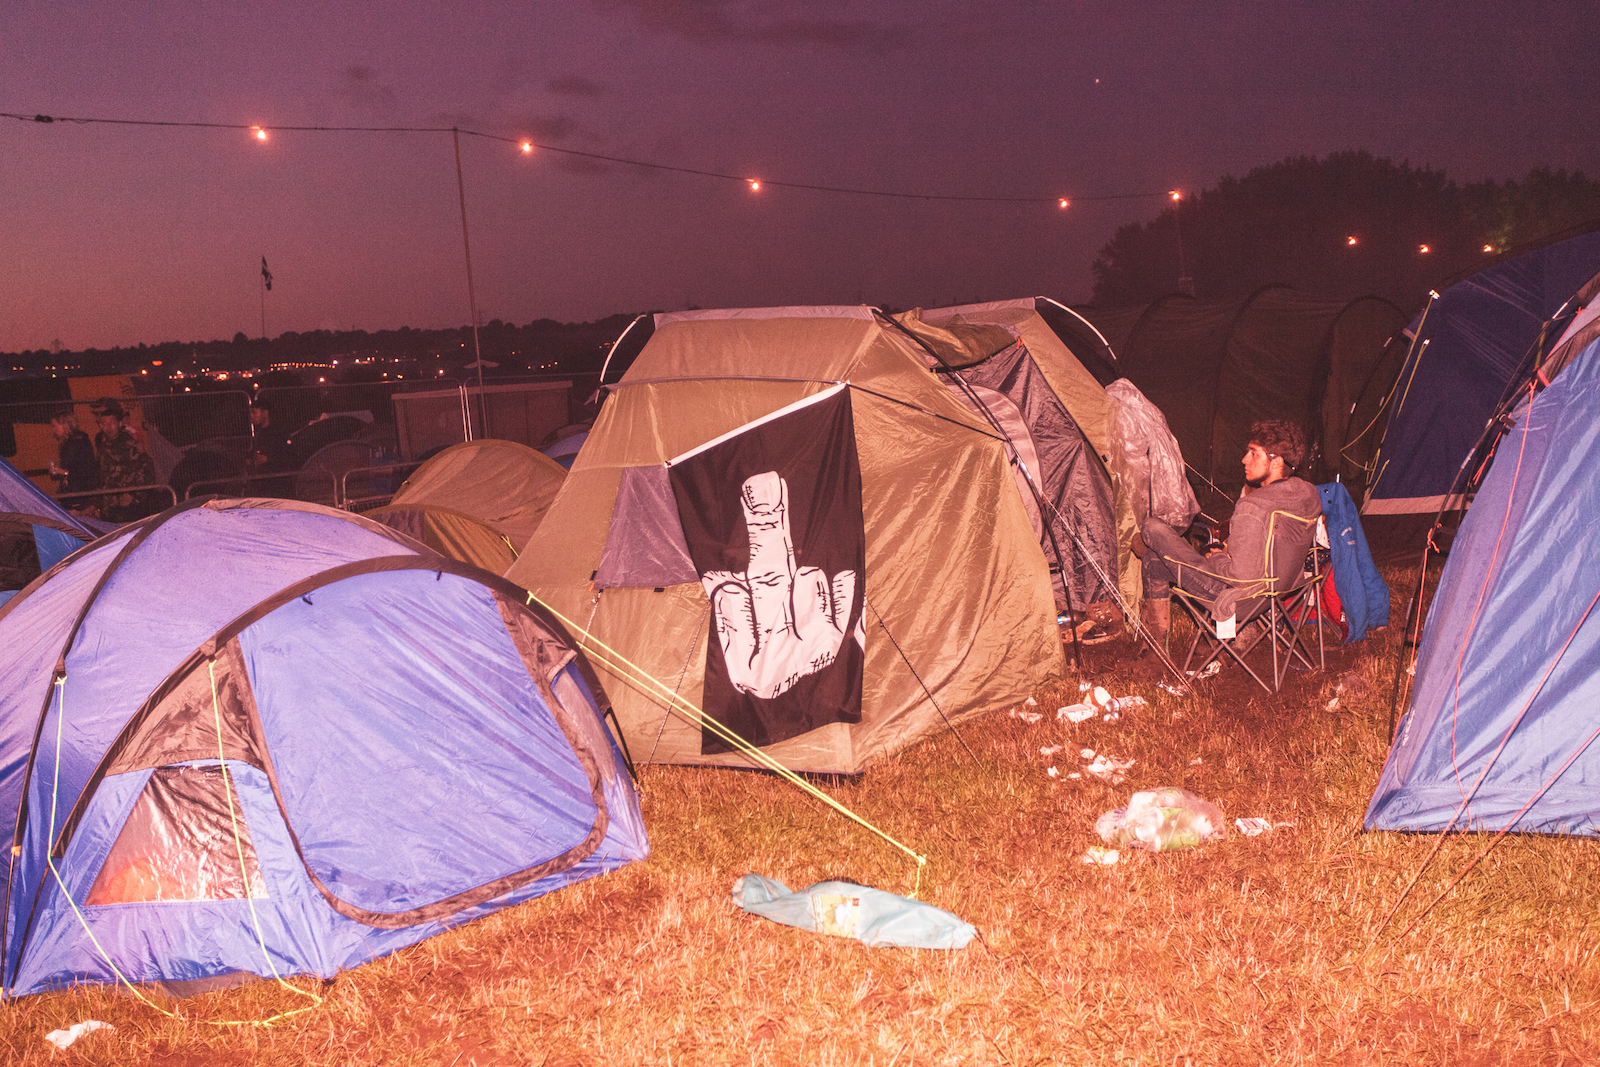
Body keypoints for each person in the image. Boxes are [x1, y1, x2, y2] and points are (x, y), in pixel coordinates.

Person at [1136, 418, 1322, 649]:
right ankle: (1155, 642)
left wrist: (1218, 558)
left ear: (1276, 462)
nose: (1244, 460)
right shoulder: (1308, 495)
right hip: (1279, 590)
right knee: (1153, 560)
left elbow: (1238, 578)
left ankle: (1153, 648)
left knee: (1153, 527)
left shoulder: (1253, 506)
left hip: (1239, 599)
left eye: (1254, 453)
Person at [91, 397, 160, 522]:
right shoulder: (102, 447)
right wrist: (96, 503)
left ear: (119, 423)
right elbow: (99, 476)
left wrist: (134, 495)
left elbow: (148, 470)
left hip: (127, 507)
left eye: (111, 423)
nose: (108, 427)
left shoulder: (130, 445)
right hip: (109, 507)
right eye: (104, 424)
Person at [47, 411, 99, 501]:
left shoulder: (79, 442)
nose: (54, 430)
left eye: (55, 426)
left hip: (79, 492)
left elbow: (84, 470)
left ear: (65, 424)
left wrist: (63, 472)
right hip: (72, 491)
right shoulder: (67, 443)